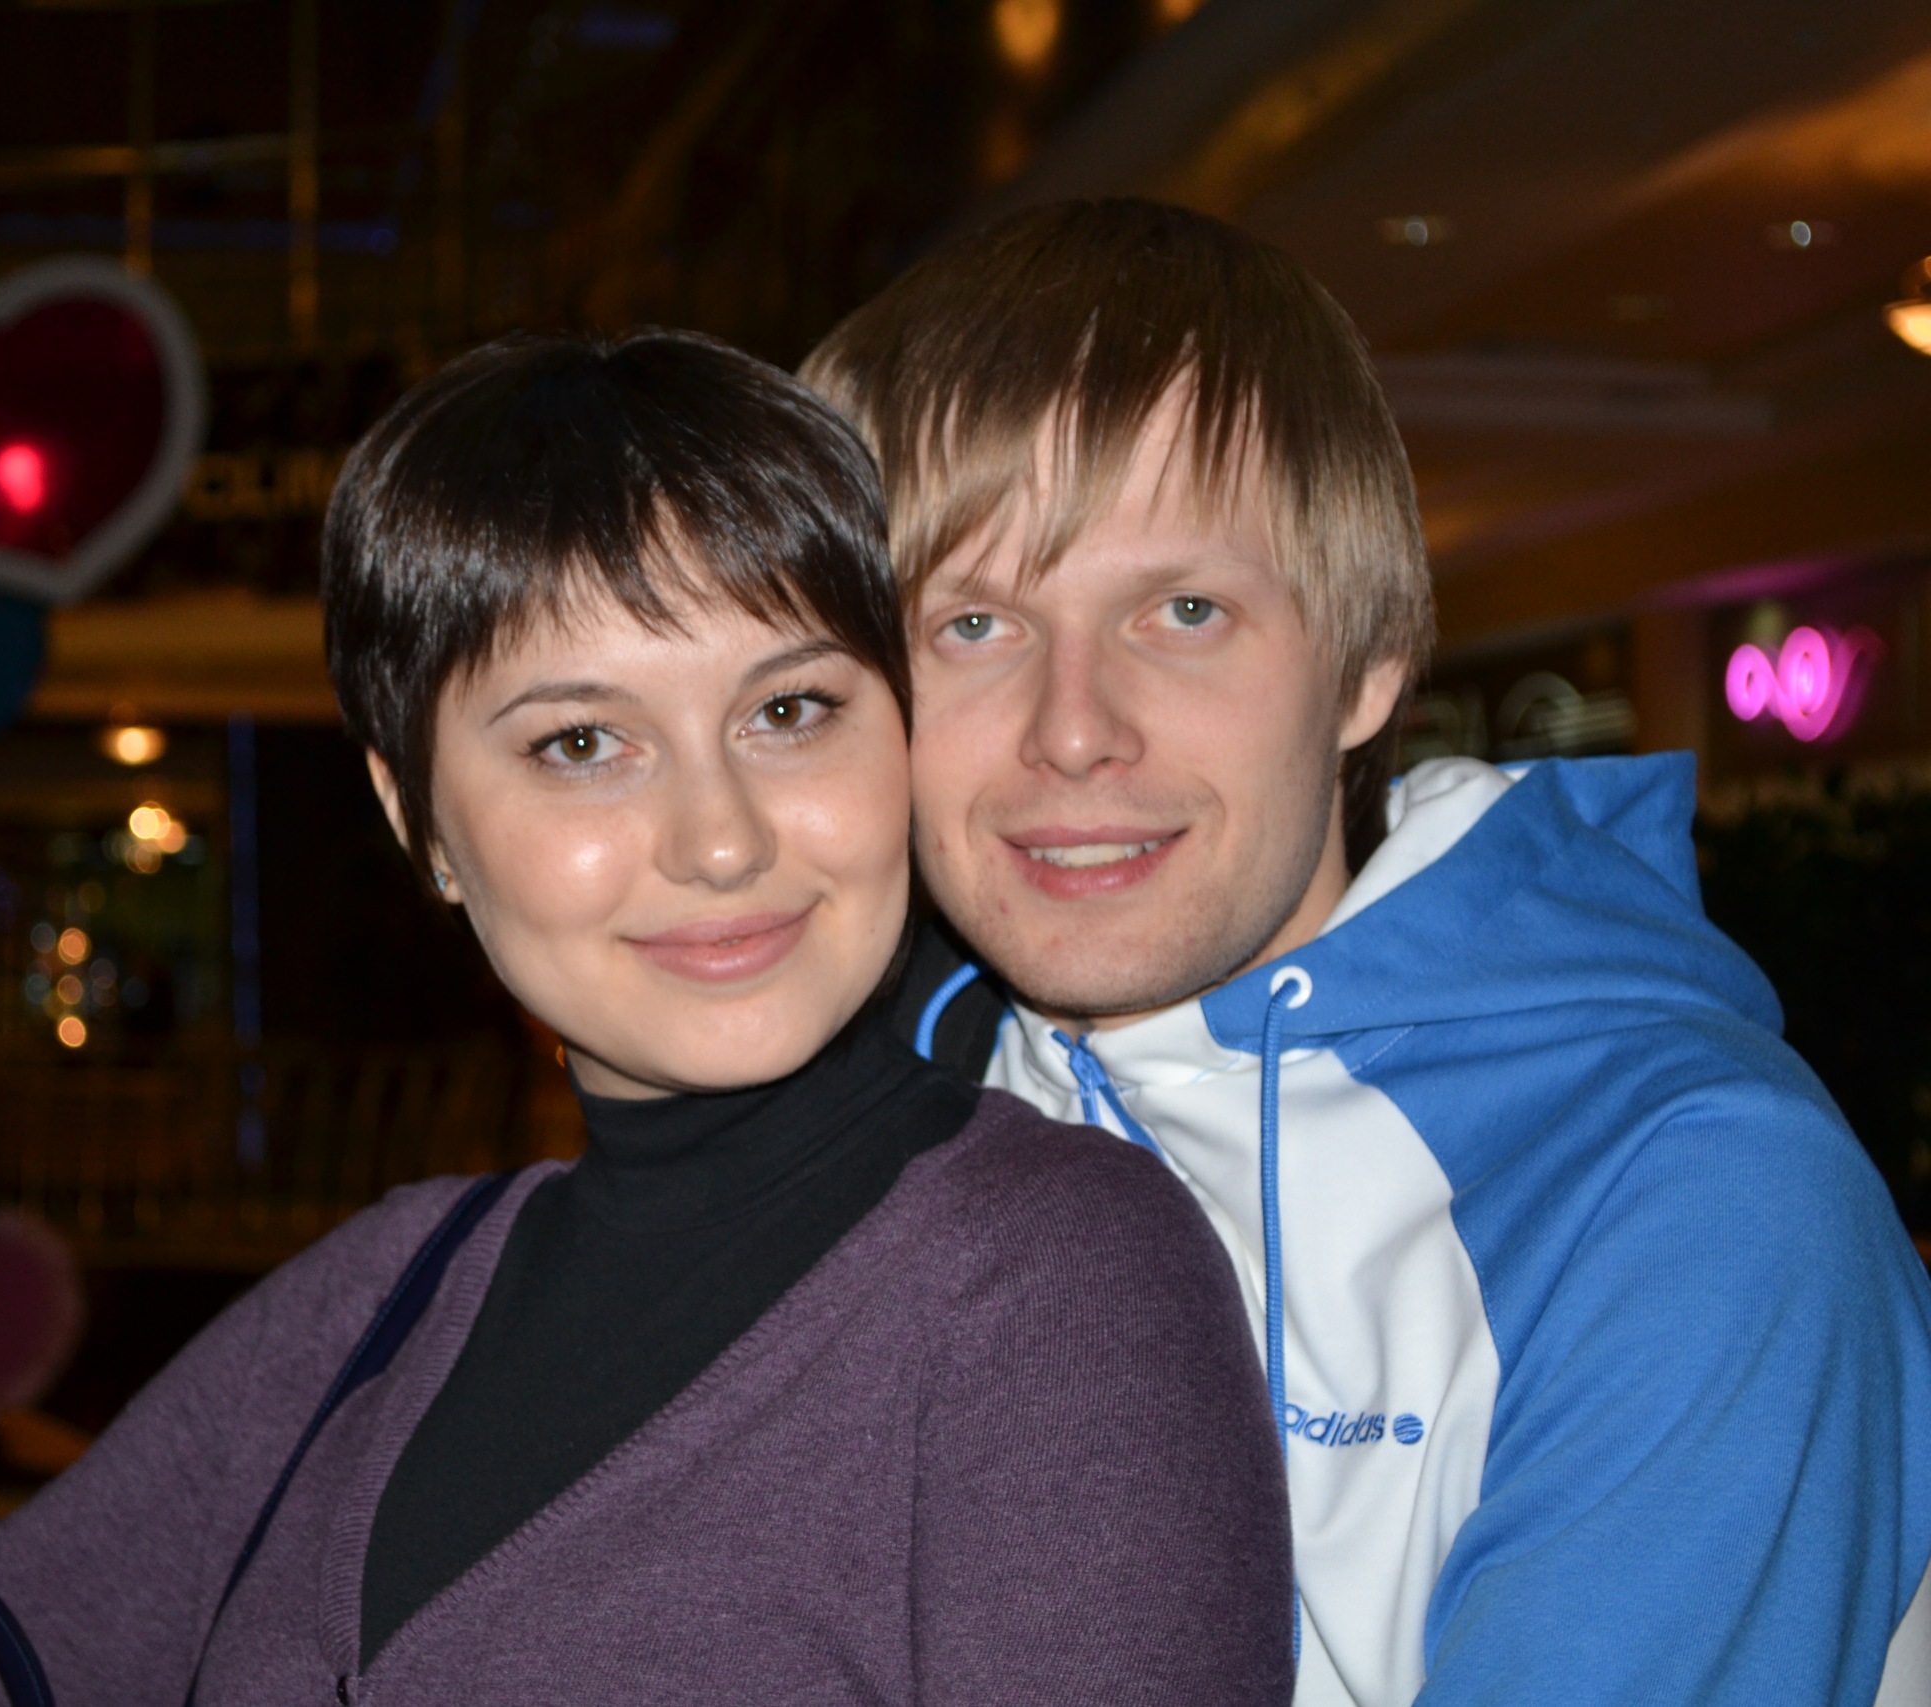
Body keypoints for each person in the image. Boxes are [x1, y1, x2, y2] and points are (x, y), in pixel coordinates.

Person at [0, 329, 1292, 1706]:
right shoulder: (389, 1294)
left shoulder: (1051, 1282)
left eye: (788, 711)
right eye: (580, 743)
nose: (719, 840)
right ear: (418, 819)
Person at [799, 198, 1931, 1707]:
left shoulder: (1688, 1191)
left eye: (1184, 610)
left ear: (1368, 665)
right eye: (973, 626)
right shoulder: (875, 1115)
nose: (1074, 731)